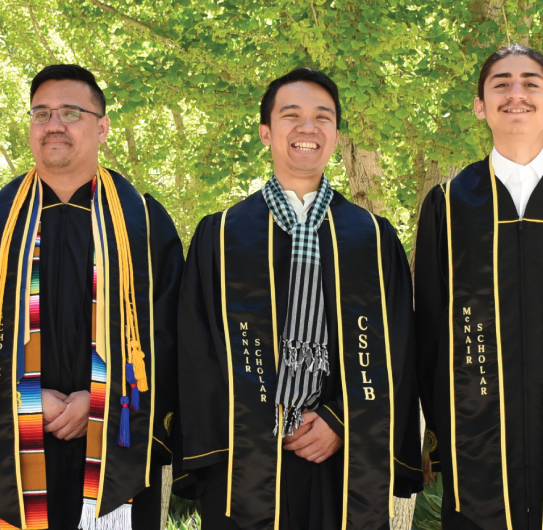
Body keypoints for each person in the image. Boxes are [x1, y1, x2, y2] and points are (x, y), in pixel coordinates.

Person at [0, 64, 185, 530]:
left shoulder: (145, 225)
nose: (54, 124)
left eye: (71, 112)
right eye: (41, 113)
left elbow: (171, 338)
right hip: (13, 441)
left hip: (117, 441)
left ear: (103, 126)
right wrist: (27, 399)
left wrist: (99, 400)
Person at [174, 67, 421, 529]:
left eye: (322, 118)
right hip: (244, 461)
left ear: (334, 135)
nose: (307, 128)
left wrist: (341, 420)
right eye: (292, 116)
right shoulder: (222, 234)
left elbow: (398, 349)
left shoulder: (371, 238)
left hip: (344, 457)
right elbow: (196, 350)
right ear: (266, 132)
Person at [412, 44, 543, 530]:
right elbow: (429, 333)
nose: (516, 94)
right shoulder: (447, 206)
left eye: (531, 82)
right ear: (479, 105)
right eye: (500, 83)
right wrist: (445, 439)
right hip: (477, 462)